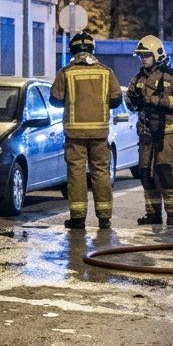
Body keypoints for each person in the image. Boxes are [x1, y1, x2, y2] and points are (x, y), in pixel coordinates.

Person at [49, 31, 123, 230]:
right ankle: (104, 217)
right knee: (101, 173)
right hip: (100, 134)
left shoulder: (66, 72)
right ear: (92, 49)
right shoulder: (106, 72)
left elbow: (54, 99)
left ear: (72, 50)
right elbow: (116, 99)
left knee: (77, 174)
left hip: (75, 135)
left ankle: (78, 218)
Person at [126, 35, 173, 225]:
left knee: (164, 170)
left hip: (166, 132)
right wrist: (134, 101)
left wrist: (158, 101)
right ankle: (153, 214)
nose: (143, 59)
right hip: (146, 133)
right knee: (145, 172)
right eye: (141, 56)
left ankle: (172, 213)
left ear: (157, 55)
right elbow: (129, 100)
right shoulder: (138, 78)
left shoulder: (172, 76)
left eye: (146, 55)